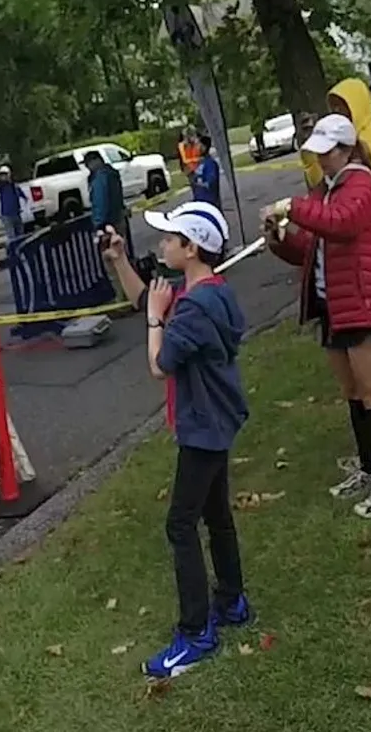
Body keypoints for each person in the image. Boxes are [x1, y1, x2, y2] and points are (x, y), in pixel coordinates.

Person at [99, 202, 252, 678]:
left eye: (170, 238)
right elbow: (148, 298)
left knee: (180, 525)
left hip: (202, 427)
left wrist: (154, 321)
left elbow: (159, 363)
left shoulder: (193, 310)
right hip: (216, 420)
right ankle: (232, 601)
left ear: (192, 248)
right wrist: (120, 261)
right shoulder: (209, 292)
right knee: (216, 514)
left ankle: (196, 633)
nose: (161, 244)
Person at [269, 113, 371, 519]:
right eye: (317, 153)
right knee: (352, 392)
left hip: (360, 303)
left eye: (326, 153)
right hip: (332, 304)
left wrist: (293, 207)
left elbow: (342, 225)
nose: (321, 160)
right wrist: (280, 238)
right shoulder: (327, 189)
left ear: (346, 150)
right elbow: (312, 246)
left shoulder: (361, 183)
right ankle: (367, 468)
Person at [304, 78, 371, 402]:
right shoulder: (343, 143)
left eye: (344, 106)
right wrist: (311, 155)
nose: (339, 111)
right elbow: (321, 182)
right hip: (359, 237)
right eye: (334, 106)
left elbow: (353, 191)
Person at [0, 165, 31, 242]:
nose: (4, 177)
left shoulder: (14, 185)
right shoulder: (2, 185)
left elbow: (19, 192)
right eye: (2, 175)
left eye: (5, 174)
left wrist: (25, 198)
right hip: (7, 215)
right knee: (12, 237)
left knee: (20, 235)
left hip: (16, 213)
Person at [189, 135, 221, 210]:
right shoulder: (201, 163)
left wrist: (196, 183)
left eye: (198, 145)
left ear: (204, 147)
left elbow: (210, 183)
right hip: (200, 203)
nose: (196, 148)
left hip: (209, 204)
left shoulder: (211, 164)